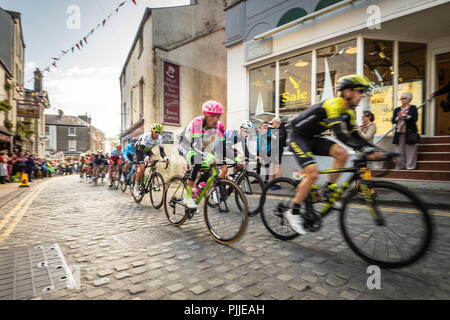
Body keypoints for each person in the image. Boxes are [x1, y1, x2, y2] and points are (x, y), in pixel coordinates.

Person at [287, 74, 381, 234]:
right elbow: (340, 135)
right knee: (313, 173)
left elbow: (356, 136)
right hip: (298, 137)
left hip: (313, 138)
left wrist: (374, 149)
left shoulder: (349, 113)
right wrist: (364, 150)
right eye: (360, 91)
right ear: (347, 92)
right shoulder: (332, 105)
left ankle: (329, 190)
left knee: (342, 153)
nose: (363, 94)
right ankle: (293, 211)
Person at [177, 100, 226, 210]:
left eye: (218, 116)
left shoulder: (220, 126)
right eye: (212, 116)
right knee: (198, 161)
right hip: (185, 144)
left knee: (210, 168)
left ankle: (197, 186)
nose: (216, 119)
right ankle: (188, 197)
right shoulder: (197, 122)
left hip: (198, 146)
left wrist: (222, 162)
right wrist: (209, 157)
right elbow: (197, 145)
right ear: (205, 115)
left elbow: (221, 145)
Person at [134, 124, 169, 198]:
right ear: (151, 131)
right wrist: (146, 156)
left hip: (147, 150)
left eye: (159, 132)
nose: (157, 134)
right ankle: (136, 186)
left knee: (154, 160)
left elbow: (162, 151)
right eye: (156, 132)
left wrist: (165, 158)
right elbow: (141, 148)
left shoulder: (159, 138)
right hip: (139, 149)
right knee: (142, 168)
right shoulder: (147, 136)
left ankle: (151, 179)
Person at [392, 92, 418, 170]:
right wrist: (398, 117)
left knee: (410, 150)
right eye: (401, 98)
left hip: (409, 132)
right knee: (399, 151)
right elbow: (393, 120)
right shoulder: (397, 109)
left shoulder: (413, 107)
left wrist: (406, 116)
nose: (402, 100)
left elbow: (415, 118)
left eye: (404, 98)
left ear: (409, 99)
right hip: (399, 132)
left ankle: (410, 166)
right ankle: (400, 166)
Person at [269, 117, 287, 190]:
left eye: (273, 123)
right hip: (274, 150)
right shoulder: (277, 130)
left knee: (277, 166)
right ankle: (272, 182)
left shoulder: (281, 131)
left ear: (276, 122)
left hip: (277, 150)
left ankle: (278, 184)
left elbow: (279, 142)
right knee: (272, 166)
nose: (272, 124)